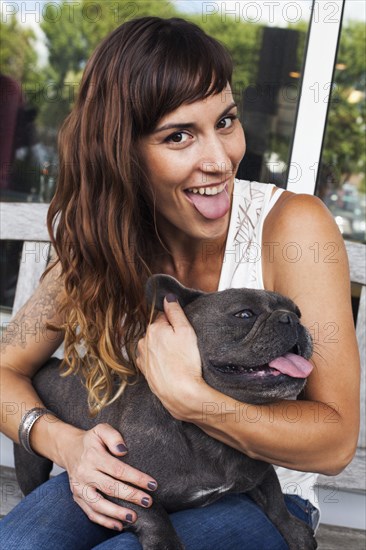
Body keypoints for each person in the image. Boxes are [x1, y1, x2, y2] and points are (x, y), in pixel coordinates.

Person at [0, 16, 360, 550]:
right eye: (179, 136)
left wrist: (192, 398)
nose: (218, 159)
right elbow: (5, 368)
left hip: (263, 492)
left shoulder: (292, 226)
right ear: (123, 152)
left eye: (227, 120)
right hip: (139, 470)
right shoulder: (104, 242)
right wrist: (64, 442)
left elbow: (334, 444)